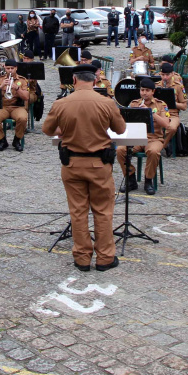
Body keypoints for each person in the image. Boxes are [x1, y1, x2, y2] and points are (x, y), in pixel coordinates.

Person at [43, 64, 126, 272]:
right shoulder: (106, 102)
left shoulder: (61, 103)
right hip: (99, 164)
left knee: (78, 212)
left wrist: (66, 129)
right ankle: (105, 258)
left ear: (74, 80)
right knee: (103, 212)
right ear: (95, 80)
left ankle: (81, 258)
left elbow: (47, 130)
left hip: (72, 164)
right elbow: (120, 129)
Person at [116, 78, 170, 195]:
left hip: (154, 138)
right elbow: (125, 122)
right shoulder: (134, 103)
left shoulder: (161, 105)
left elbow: (166, 124)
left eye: (147, 90)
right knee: (120, 150)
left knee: (154, 152)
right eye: (142, 90)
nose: (144, 93)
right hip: (136, 137)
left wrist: (151, 112)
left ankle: (148, 180)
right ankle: (130, 178)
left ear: (153, 92)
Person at [0, 59, 30, 152]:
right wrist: (0, 87)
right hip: (3, 106)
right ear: (5, 68)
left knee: (23, 118)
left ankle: (17, 140)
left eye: (12, 68)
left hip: (17, 107)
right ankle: (2, 140)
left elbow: (26, 97)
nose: (10, 70)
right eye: (8, 68)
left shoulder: (22, 80)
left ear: (16, 68)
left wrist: (16, 88)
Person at [158, 63, 187, 151]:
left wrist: (172, 103)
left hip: (173, 114)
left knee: (172, 128)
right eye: (163, 75)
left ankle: (160, 147)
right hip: (158, 113)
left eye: (167, 75)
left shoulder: (178, 86)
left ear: (172, 74)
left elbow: (184, 106)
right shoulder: (156, 86)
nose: (165, 77)